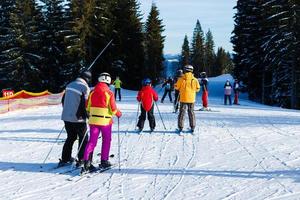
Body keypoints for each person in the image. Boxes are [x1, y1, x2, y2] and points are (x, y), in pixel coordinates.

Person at [81, 72, 122, 173]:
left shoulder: (92, 92)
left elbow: (87, 107)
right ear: (108, 81)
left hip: (93, 121)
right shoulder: (109, 93)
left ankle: (86, 162)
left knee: (92, 142)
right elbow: (113, 109)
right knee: (106, 140)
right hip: (105, 122)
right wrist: (119, 114)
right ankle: (104, 161)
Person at [59, 70, 91, 167]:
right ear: (87, 79)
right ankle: (81, 159)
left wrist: (67, 111)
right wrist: (88, 115)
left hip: (66, 116)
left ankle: (65, 158)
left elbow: (63, 100)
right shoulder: (85, 87)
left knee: (71, 137)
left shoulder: (69, 85)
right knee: (83, 138)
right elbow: (86, 104)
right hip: (78, 118)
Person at [175, 65, 200, 132]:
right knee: (191, 112)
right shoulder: (195, 79)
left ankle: (180, 127)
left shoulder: (181, 79)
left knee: (182, 113)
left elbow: (176, 87)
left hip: (183, 98)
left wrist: (176, 85)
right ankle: (192, 127)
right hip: (191, 99)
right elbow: (198, 89)